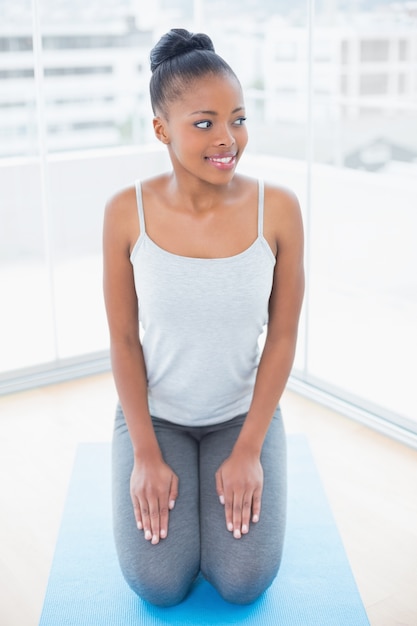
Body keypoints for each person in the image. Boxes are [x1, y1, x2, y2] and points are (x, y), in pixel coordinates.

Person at [103, 28, 304, 608]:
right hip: (156, 418)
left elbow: (283, 335)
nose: (228, 139)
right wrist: (144, 454)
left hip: (241, 418)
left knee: (243, 581)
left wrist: (248, 450)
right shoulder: (125, 212)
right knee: (159, 584)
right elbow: (121, 338)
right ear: (162, 130)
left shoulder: (280, 210)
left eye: (237, 119)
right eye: (204, 123)